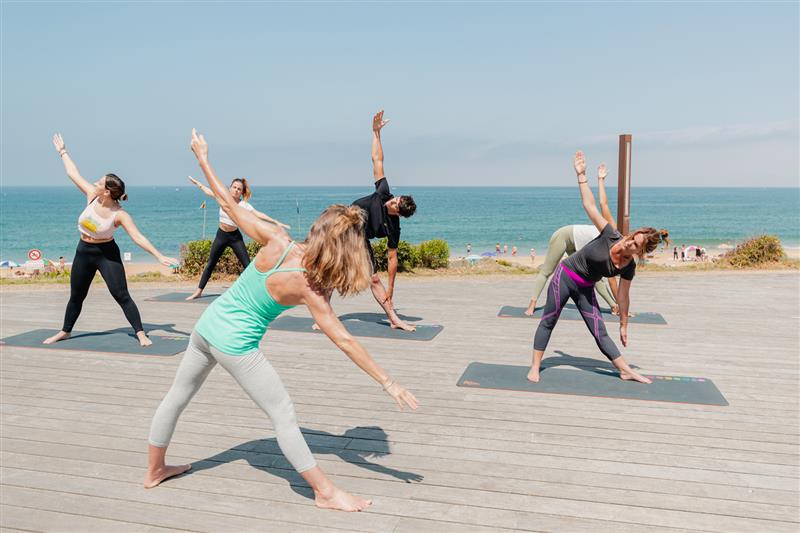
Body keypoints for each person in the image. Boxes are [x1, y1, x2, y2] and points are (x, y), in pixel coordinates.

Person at [146, 129, 419, 512]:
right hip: (235, 344)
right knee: (283, 414)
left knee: (177, 397)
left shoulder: (277, 241)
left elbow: (229, 203)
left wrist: (203, 159)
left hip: (206, 327)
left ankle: (154, 470)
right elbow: (344, 340)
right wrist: (388, 383)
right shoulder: (314, 290)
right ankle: (325, 492)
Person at [528, 151, 661, 385]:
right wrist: (582, 176)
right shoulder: (611, 235)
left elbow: (623, 296)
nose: (629, 241)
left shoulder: (628, 267)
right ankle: (535, 366)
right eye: (633, 237)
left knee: (599, 330)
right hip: (565, 276)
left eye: (635, 244)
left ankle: (625, 370)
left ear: (639, 252)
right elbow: (591, 206)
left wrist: (624, 325)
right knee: (549, 318)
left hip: (585, 287)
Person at [44, 134, 177, 347]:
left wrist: (159, 256)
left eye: (99, 181)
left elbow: (137, 236)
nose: (94, 182)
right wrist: (63, 151)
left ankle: (141, 333)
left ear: (107, 192)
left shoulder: (119, 214)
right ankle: (65, 331)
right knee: (76, 296)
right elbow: (72, 173)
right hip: (83, 252)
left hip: (107, 254)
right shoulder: (92, 196)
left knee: (122, 295)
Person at [350, 110, 417, 331]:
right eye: (395, 200)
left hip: (359, 237)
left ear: (398, 214)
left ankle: (394, 319)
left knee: (375, 280)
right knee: (330, 270)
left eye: (395, 205)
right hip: (344, 223)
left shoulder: (393, 229)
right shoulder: (383, 192)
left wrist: (392, 289)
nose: (391, 203)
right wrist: (375, 133)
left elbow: (392, 260)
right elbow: (377, 160)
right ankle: (321, 316)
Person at [524, 163, 619, 316]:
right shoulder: (612, 232)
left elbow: (606, 280)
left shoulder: (613, 250)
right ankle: (532, 304)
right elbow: (603, 204)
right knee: (547, 271)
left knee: (596, 278)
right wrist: (601, 180)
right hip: (565, 236)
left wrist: (617, 305)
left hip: (578, 245)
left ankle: (613, 306)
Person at [186, 176, 289, 300]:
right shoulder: (223, 198)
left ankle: (261, 292)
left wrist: (275, 222)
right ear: (230, 188)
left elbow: (257, 214)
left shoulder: (243, 205)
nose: (236, 190)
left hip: (235, 237)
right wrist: (198, 183)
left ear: (241, 192)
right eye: (234, 187)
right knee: (211, 263)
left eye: (239, 189)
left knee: (248, 265)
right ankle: (198, 291)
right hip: (221, 235)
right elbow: (209, 192)